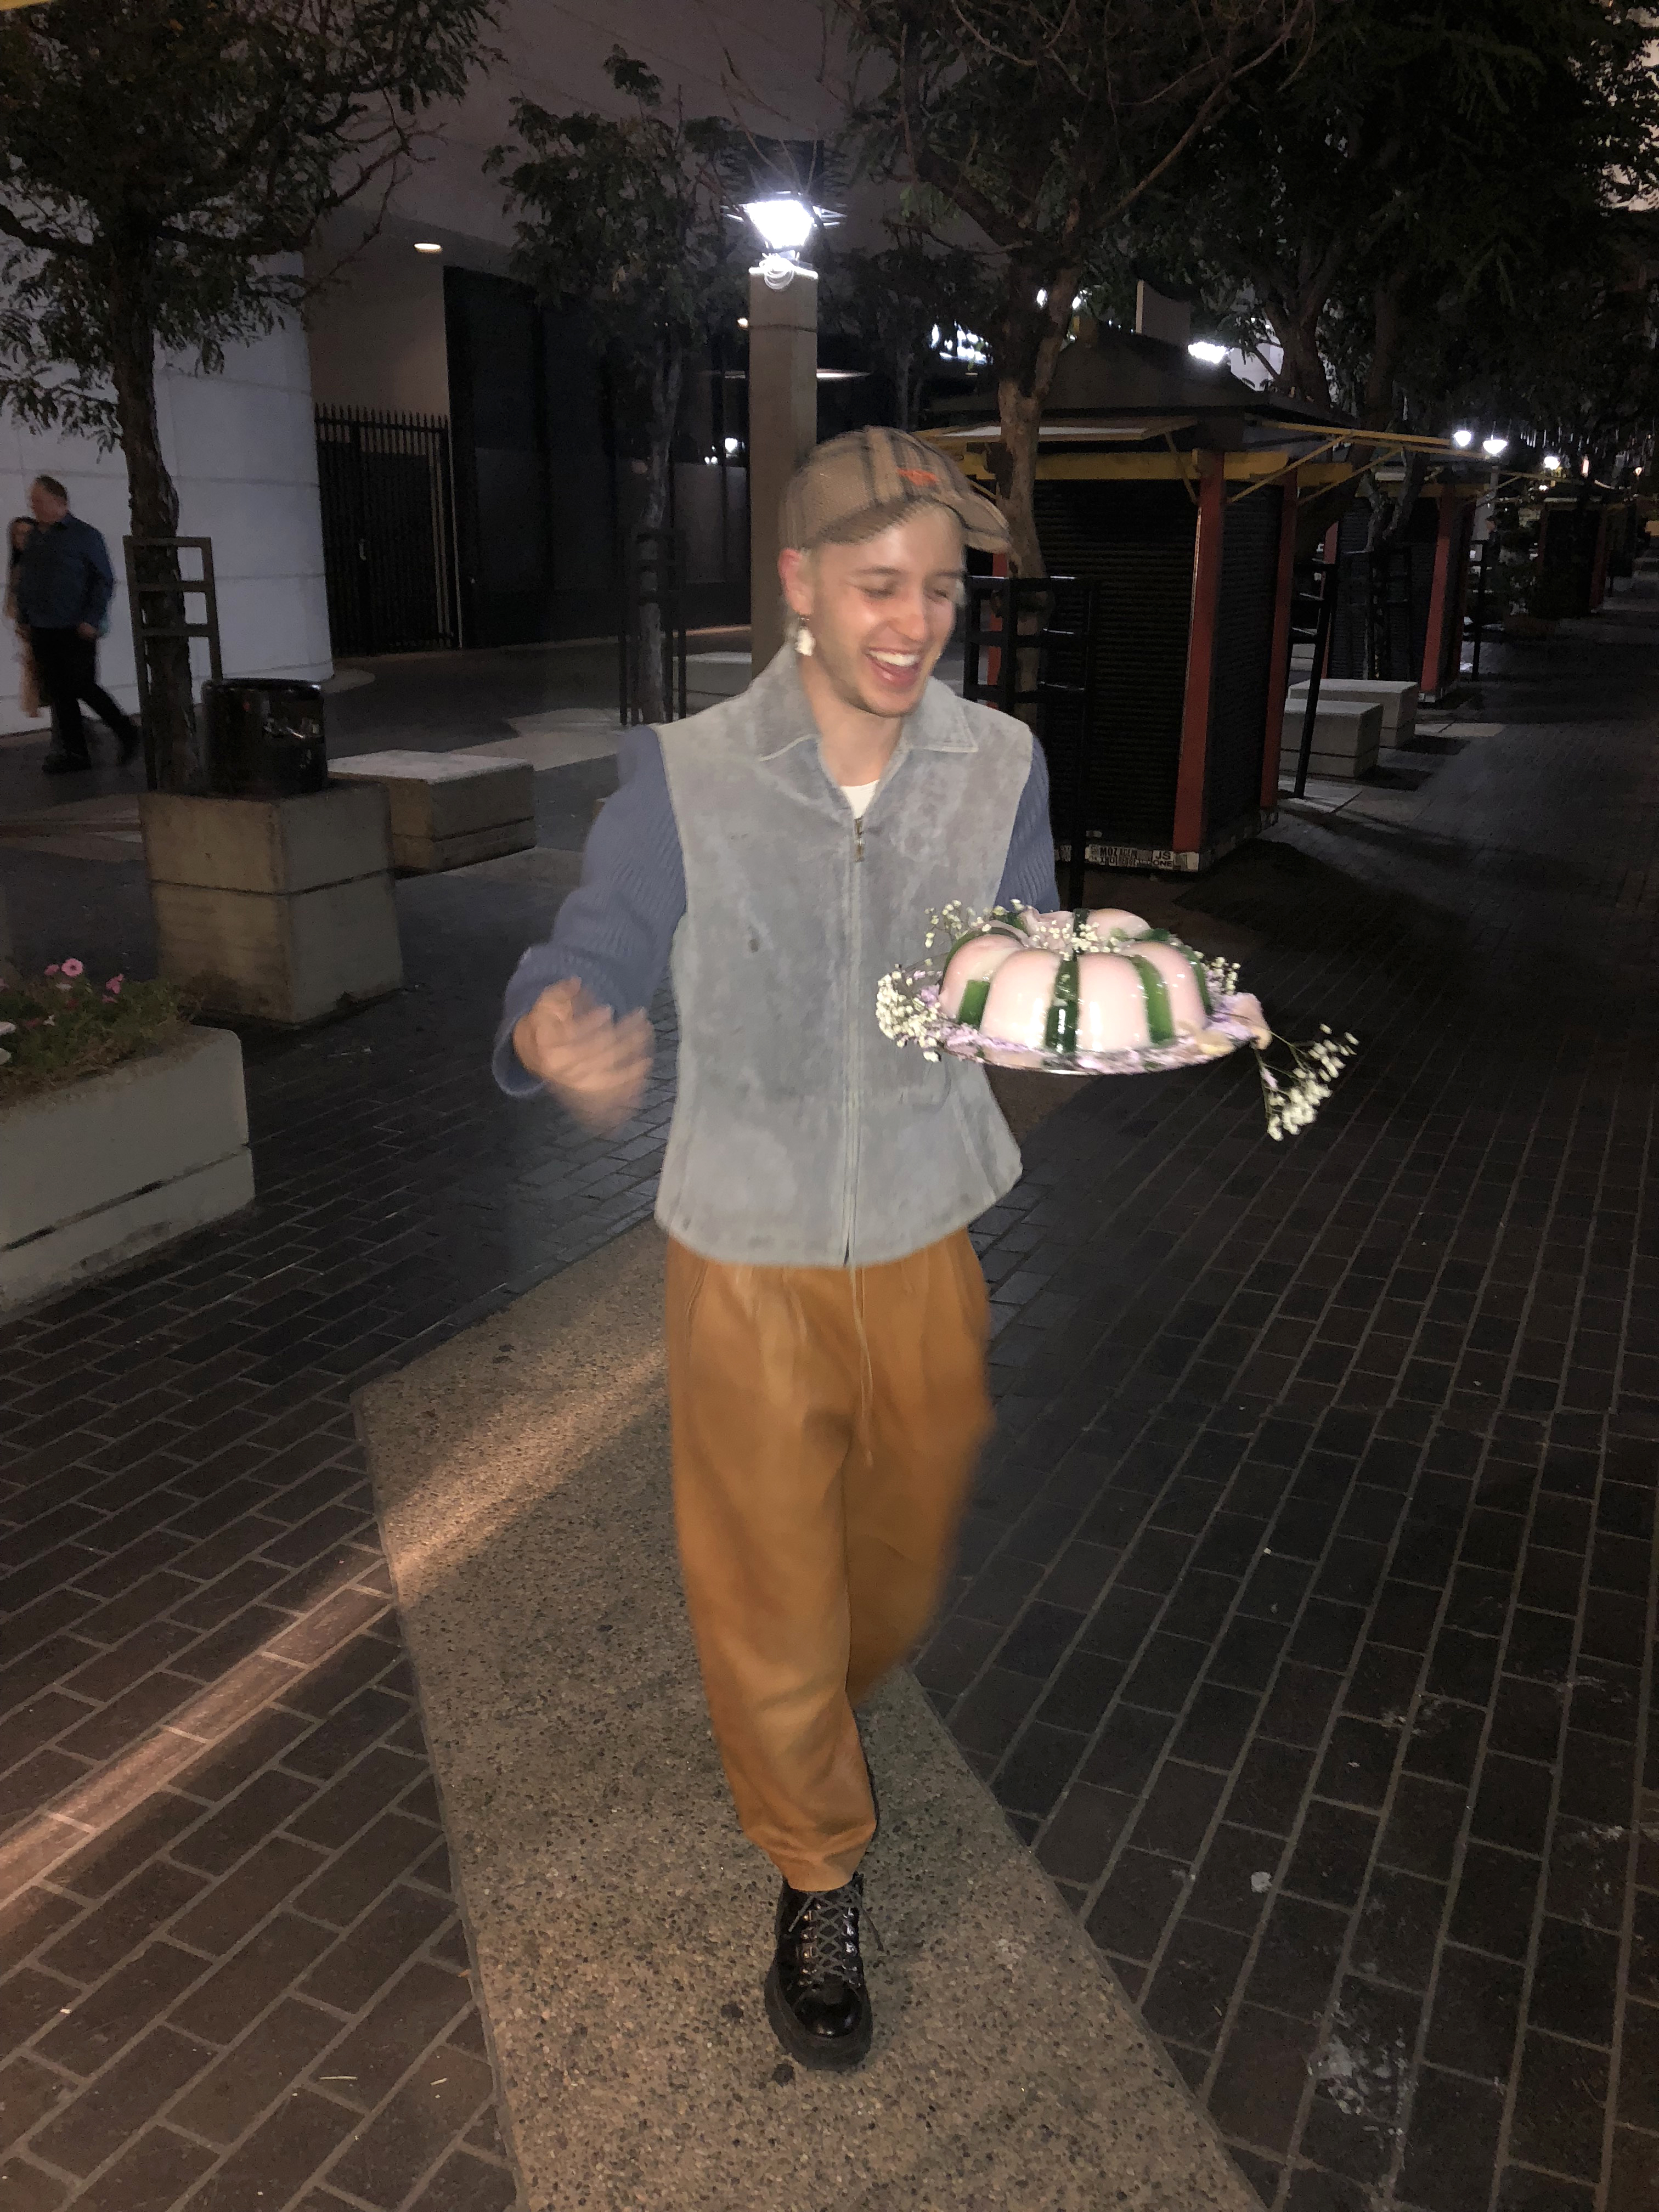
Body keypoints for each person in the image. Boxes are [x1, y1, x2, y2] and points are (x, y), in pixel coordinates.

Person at [494, 427, 1059, 2072]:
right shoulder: (685, 773)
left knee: (896, 1541)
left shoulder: (1003, 767)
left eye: (942, 587)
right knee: (768, 1593)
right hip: (740, 1242)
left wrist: (1063, 1009)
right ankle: (817, 1865)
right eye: (881, 582)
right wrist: (558, 1017)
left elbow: (1014, 955)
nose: (916, 618)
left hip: (923, 1222)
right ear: (801, 587)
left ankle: (812, 1698)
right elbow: (593, 934)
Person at [14, 475, 141, 774]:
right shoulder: (35, 538)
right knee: (60, 693)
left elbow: (103, 579)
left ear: (60, 503)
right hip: (43, 627)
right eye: (33, 501)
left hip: (76, 626)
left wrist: (91, 618)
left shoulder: (85, 536)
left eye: (39, 501)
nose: (34, 506)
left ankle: (126, 731)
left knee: (82, 684)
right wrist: (24, 616)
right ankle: (75, 753)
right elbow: (27, 580)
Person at [5, 517, 46, 726]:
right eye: (18, 534)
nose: (22, 539)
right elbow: (12, 603)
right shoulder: (19, 566)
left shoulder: (42, 564)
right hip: (29, 632)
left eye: (27, 533)